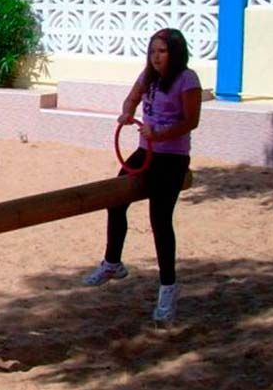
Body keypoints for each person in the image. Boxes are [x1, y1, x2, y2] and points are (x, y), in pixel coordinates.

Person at [81, 28, 201, 324]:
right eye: (152, 51)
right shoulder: (148, 77)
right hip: (145, 152)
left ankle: (168, 287)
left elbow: (191, 121)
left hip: (171, 157)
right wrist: (126, 113)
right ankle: (113, 262)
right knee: (115, 200)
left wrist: (160, 133)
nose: (156, 57)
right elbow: (131, 99)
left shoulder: (187, 79)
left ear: (175, 53)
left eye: (162, 51)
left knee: (159, 219)